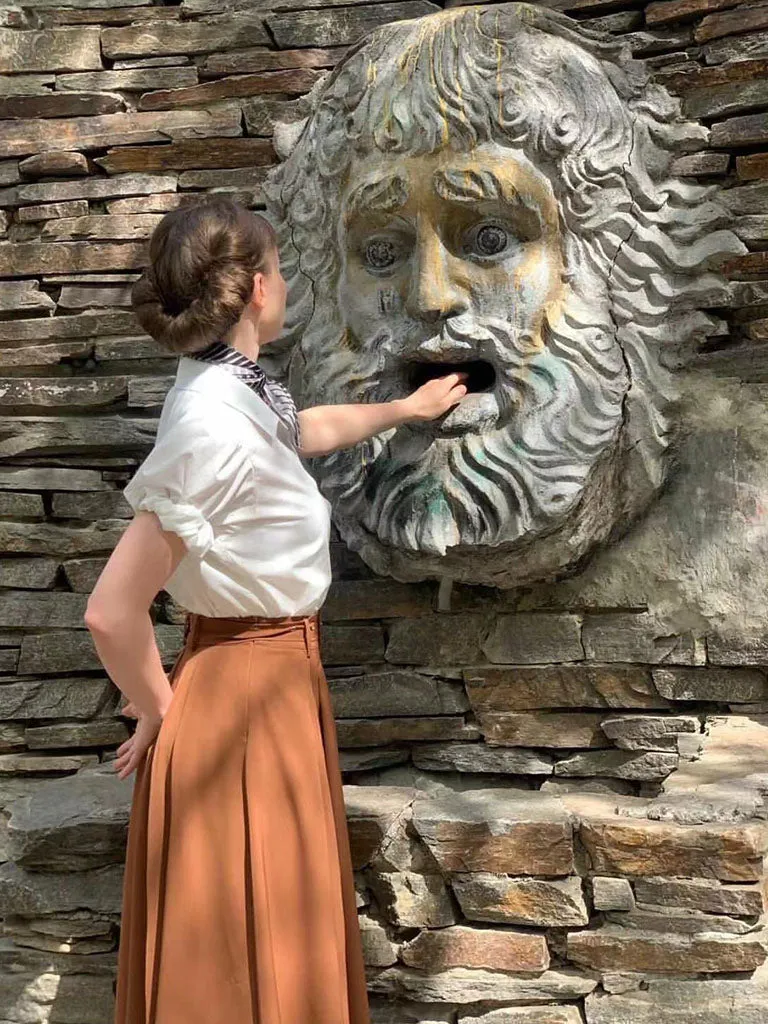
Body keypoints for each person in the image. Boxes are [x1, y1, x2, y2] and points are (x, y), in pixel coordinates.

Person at [84, 195, 467, 1024]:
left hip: (272, 689)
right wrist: (158, 708)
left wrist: (403, 410)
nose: (286, 282)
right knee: (234, 950)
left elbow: (299, 430)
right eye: (281, 269)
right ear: (258, 288)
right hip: (237, 701)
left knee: (271, 932)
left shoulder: (233, 385)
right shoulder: (210, 425)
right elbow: (112, 611)